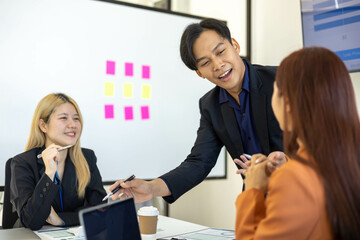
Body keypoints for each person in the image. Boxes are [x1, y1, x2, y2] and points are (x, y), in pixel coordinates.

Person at [109, 18, 286, 203]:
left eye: (221, 52)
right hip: (258, 204)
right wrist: (150, 188)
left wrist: (287, 164)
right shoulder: (211, 105)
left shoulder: (283, 79)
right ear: (200, 73)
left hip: (306, 197)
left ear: (235, 45)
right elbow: (199, 163)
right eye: (205, 63)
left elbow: (316, 141)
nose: (217, 65)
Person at [235, 47, 360, 239]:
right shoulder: (349, 160)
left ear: (287, 103)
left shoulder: (295, 178)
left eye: (275, 91)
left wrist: (253, 189)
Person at [10, 93, 106, 230]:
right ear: (43, 125)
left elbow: (100, 210)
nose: (72, 125)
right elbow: (31, 220)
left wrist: (61, 220)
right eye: (63, 118)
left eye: (76, 119)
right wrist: (49, 174)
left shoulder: (87, 157)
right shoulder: (22, 162)